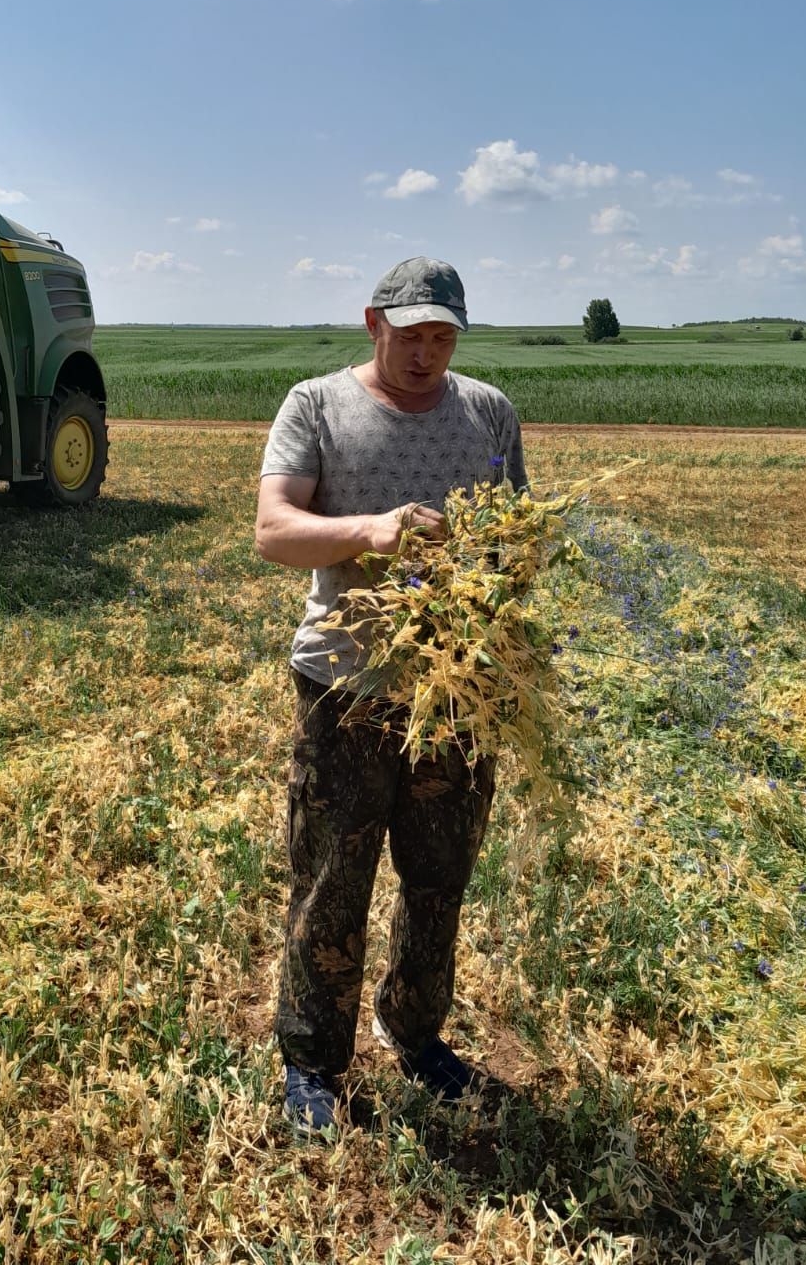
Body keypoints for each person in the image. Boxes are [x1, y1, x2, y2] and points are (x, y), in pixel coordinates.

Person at [254, 257, 528, 1132]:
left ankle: (414, 1030)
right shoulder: (317, 406)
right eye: (412, 336)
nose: (427, 354)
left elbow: (513, 537)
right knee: (332, 876)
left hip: (457, 693)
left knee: (440, 874)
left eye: (443, 337)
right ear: (373, 322)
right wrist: (372, 531)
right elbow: (273, 530)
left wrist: (502, 577)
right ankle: (312, 1060)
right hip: (346, 686)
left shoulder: (488, 412)